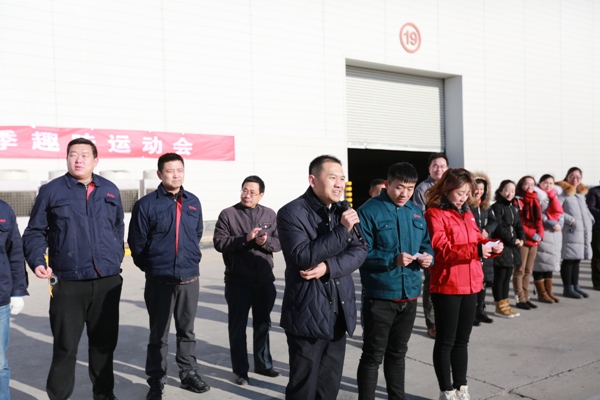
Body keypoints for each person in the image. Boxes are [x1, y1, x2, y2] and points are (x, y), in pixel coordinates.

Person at [23, 138, 124, 400]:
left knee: (103, 346)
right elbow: (34, 231)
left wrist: (114, 258)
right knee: (65, 346)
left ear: (96, 160)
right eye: (73, 154)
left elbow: (117, 227)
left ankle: (104, 395)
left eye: (84, 155)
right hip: (68, 282)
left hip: (106, 280)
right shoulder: (52, 191)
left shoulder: (110, 190)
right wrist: (37, 261)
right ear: (66, 158)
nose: (78, 159)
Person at [277, 155, 367, 400]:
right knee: (303, 386)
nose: (339, 184)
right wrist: (342, 230)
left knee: (329, 386)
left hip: (339, 310)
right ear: (313, 180)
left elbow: (360, 250)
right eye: (332, 178)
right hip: (308, 312)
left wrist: (328, 267)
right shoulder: (291, 213)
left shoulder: (342, 210)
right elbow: (303, 255)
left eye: (342, 178)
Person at [128, 153, 209, 400]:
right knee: (159, 334)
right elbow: (137, 243)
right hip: (159, 280)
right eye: (170, 170)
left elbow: (196, 234)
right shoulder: (146, 205)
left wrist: (189, 260)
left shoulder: (193, 202)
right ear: (160, 174)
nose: (176, 175)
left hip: (189, 279)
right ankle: (156, 379)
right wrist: (153, 266)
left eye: (179, 170)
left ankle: (188, 373)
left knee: (187, 331)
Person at [356, 162, 433, 400]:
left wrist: (428, 256)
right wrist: (392, 259)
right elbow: (360, 253)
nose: (404, 193)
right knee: (373, 355)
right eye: (399, 187)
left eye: (410, 188)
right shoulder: (369, 211)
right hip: (380, 296)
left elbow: (426, 243)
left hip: (409, 295)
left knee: (398, 354)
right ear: (387, 184)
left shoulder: (416, 212)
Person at [424, 168, 503, 400]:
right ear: (446, 189)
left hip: (471, 284)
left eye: (467, 193)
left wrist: (491, 246)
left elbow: (477, 239)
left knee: (462, 341)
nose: (464, 198)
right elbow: (442, 250)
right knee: (446, 340)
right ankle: (446, 390)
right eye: (460, 193)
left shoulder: (467, 213)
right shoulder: (434, 213)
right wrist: (478, 249)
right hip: (447, 284)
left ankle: (461, 387)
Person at [213, 175, 281, 386]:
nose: (247, 195)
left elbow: (279, 243)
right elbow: (220, 243)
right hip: (237, 282)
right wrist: (246, 239)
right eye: (244, 190)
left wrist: (265, 241)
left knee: (263, 325)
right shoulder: (228, 214)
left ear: (261, 195)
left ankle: (263, 364)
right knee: (237, 328)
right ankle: (240, 370)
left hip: (264, 282)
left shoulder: (270, 214)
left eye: (252, 192)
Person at [413, 153, 448, 339]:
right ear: (429, 169)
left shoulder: (451, 187)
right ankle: (432, 323)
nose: (439, 169)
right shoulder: (423, 189)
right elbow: (419, 218)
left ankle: (445, 319)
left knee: (446, 280)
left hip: (449, 242)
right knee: (431, 282)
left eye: (442, 166)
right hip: (431, 242)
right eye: (435, 165)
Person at [0, 200, 28, 400]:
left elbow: (15, 251)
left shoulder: (3, 210)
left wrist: (17, 291)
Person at [556, 167, 595, 299]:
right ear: (567, 177)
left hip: (582, 231)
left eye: (578, 177)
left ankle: (575, 286)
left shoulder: (580, 193)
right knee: (568, 259)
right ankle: (567, 288)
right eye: (572, 176)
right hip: (570, 231)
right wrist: (570, 220)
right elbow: (557, 210)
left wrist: (590, 218)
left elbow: (586, 209)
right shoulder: (562, 192)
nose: (575, 179)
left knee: (577, 259)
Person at [489, 180, 524, 318]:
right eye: (507, 190)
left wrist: (521, 238)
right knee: (500, 277)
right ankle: (499, 306)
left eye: (513, 191)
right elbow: (498, 227)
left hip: (512, 249)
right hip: (501, 246)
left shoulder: (514, 208)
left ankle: (506, 305)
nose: (510, 193)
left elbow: (519, 225)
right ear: (500, 191)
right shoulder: (497, 207)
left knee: (507, 277)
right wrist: (512, 240)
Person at [468, 172, 497, 325]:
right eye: (476, 188)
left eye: (482, 189)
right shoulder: (467, 206)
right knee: (474, 281)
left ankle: (481, 310)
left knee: (484, 281)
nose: (479, 192)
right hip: (473, 247)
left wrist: (487, 230)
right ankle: (471, 313)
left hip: (485, 246)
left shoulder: (485, 206)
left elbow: (494, 221)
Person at [513, 176, 544, 310]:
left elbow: (539, 220)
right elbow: (518, 222)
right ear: (521, 185)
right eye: (526, 184)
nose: (529, 187)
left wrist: (540, 235)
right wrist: (533, 234)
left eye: (532, 184)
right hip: (523, 239)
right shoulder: (517, 201)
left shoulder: (535, 200)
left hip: (534, 241)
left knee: (528, 270)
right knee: (519, 270)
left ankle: (526, 297)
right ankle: (520, 298)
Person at [531, 174, 564, 303]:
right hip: (543, 232)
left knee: (549, 263)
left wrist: (561, 223)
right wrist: (552, 223)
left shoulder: (554, 196)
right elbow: (538, 214)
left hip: (554, 235)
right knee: (540, 263)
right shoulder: (537, 196)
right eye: (546, 183)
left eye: (551, 183)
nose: (548, 185)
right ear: (540, 183)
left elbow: (561, 213)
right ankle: (542, 293)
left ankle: (549, 292)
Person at [585, 182, 600, 290]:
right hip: (598, 228)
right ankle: (598, 282)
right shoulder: (594, 191)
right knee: (598, 256)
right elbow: (590, 208)